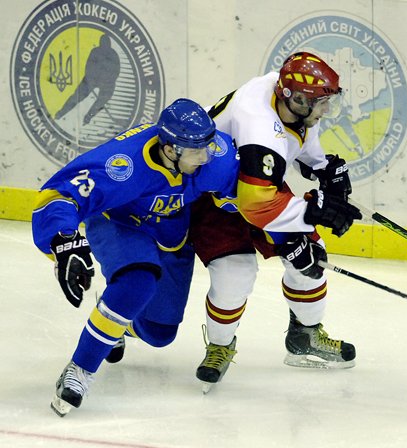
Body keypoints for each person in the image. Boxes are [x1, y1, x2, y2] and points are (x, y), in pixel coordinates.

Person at [32, 98, 240, 416]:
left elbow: (255, 194)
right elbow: (59, 194)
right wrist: (63, 242)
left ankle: (113, 314)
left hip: (171, 233)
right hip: (117, 222)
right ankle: (79, 370)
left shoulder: (214, 155)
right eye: (197, 150)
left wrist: (288, 235)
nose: (206, 156)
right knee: (137, 282)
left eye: (208, 146)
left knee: (159, 333)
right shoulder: (122, 164)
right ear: (171, 150)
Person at [189, 51, 361, 391]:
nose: (325, 111)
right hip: (214, 200)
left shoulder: (283, 94)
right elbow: (256, 205)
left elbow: (294, 143)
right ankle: (220, 345)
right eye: (321, 103)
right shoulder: (258, 125)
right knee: (235, 274)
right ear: (296, 100)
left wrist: (322, 167)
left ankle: (305, 336)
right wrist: (311, 213)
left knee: (311, 256)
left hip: (255, 183)